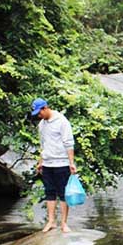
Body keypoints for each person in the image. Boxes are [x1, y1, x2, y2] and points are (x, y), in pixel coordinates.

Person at [32, 98, 77, 233]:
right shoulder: (42, 124)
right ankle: (51, 221)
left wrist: (71, 163)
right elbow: (43, 145)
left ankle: (64, 223)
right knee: (49, 192)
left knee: (63, 194)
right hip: (47, 163)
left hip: (62, 163)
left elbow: (69, 143)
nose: (38, 116)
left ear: (45, 108)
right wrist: (41, 162)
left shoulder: (62, 121)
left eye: (39, 112)